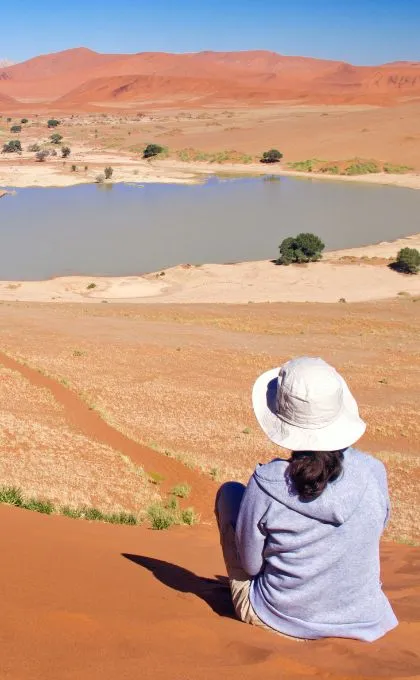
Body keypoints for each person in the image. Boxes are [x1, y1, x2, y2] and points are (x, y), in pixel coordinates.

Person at [215, 356, 398, 641]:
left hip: (279, 619)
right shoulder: (374, 471)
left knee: (229, 494)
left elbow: (251, 566)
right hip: (365, 619)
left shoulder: (266, 484)